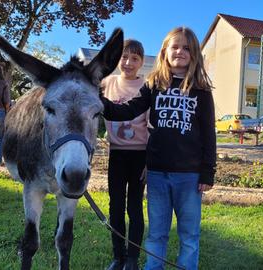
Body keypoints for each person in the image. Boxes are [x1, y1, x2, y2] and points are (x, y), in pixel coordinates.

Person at [101, 27, 216, 270]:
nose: (180, 51)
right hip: (157, 174)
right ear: (165, 51)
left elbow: (208, 133)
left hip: (190, 176)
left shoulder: (202, 91)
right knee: (157, 234)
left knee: (189, 235)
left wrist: (208, 171)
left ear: (194, 53)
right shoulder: (154, 84)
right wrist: (98, 102)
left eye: (186, 47)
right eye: (175, 46)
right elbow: (129, 109)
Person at [103, 39, 148, 270]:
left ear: (141, 62)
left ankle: (132, 258)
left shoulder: (147, 87)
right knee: (116, 207)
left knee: (134, 207)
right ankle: (118, 256)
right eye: (124, 57)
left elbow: (153, 127)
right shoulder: (107, 83)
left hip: (140, 156)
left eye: (135, 58)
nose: (128, 63)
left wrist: (149, 162)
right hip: (117, 155)